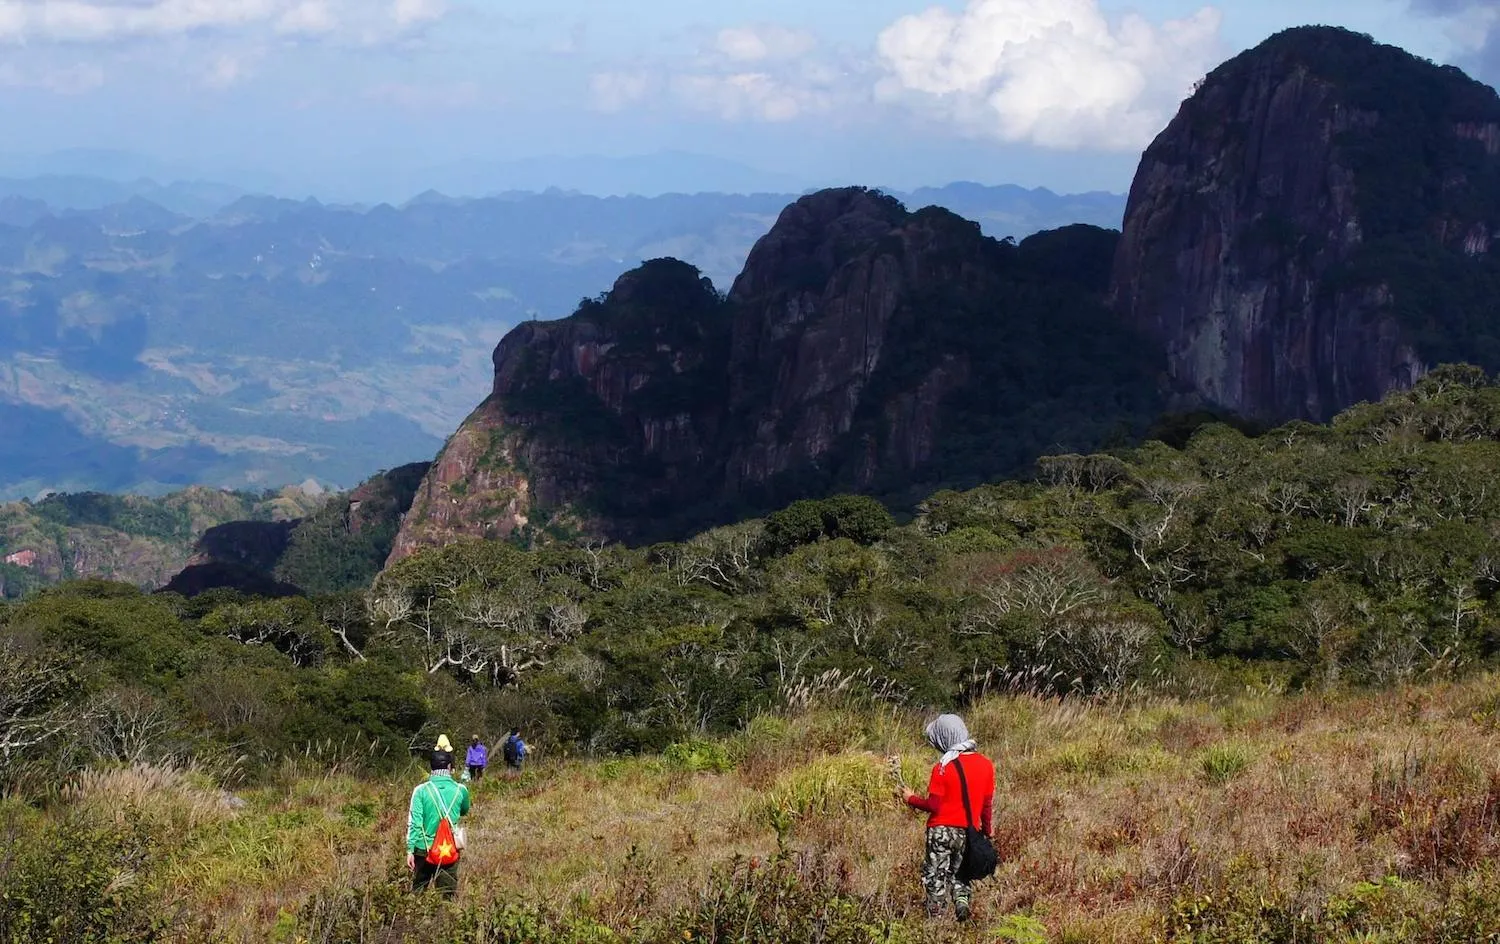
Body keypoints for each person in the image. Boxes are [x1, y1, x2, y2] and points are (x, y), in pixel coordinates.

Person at [899, 713, 995, 923]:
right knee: (961, 873)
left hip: (941, 831)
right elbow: (986, 805)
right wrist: (987, 830)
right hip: (968, 830)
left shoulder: (942, 767)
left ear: (944, 737)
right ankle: (961, 902)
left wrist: (911, 798)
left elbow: (934, 805)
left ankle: (936, 919)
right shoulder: (986, 765)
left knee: (936, 877)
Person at [406, 748, 472, 898]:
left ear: (431, 767)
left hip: (424, 848)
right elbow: (464, 811)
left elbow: (414, 823)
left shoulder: (420, 790)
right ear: (449, 767)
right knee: (447, 893)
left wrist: (410, 849)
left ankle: (417, 919)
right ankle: (445, 919)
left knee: (418, 891)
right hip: (449, 847)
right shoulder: (461, 790)